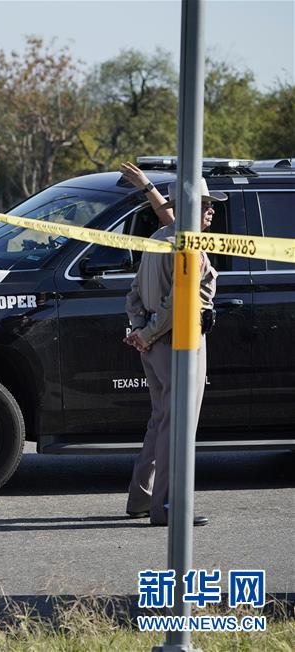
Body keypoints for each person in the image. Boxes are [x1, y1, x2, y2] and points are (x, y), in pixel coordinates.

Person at [123, 177, 226, 527]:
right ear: (188, 209)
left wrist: (140, 331)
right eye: (206, 204)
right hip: (179, 342)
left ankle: (142, 496)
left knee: (161, 421)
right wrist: (149, 332)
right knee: (178, 427)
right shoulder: (188, 248)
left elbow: (134, 292)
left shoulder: (157, 240)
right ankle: (167, 507)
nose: (212, 210)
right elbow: (177, 303)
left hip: (154, 345)